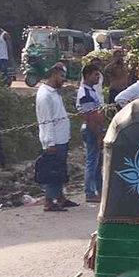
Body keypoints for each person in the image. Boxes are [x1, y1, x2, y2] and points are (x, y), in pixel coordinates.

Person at [35, 65, 76, 212]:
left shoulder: (53, 93)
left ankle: (60, 198)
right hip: (54, 140)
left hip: (61, 138)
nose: (63, 80)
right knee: (53, 171)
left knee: (60, 170)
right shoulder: (45, 95)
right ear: (53, 75)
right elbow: (46, 121)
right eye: (61, 76)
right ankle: (48, 201)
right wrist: (50, 143)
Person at [76, 64, 105, 203]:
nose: (97, 77)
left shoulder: (91, 90)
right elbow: (90, 117)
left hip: (96, 128)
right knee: (92, 161)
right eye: (95, 74)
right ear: (87, 76)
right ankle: (89, 192)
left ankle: (99, 190)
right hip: (91, 129)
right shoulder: (85, 94)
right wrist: (99, 134)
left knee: (98, 162)